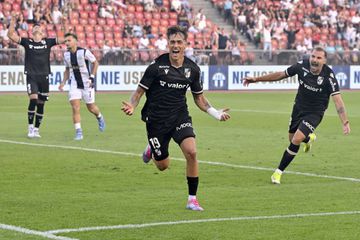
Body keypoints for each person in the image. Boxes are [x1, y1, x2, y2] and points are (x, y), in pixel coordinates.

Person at [121, 26, 230, 211]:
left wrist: (216, 113)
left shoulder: (193, 69)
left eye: (179, 42)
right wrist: (132, 105)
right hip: (156, 120)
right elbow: (139, 93)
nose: (176, 45)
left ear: (185, 45)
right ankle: (152, 149)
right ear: (168, 44)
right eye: (172, 42)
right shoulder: (156, 67)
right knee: (163, 165)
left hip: (180, 116)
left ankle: (192, 199)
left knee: (192, 152)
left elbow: (199, 99)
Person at [243, 46, 351, 184]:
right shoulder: (301, 66)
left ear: (324, 60)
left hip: (315, 113)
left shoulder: (329, 77)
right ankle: (308, 139)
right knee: (292, 138)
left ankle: (278, 172)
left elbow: (338, 101)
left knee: (296, 140)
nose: (315, 60)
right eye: (313, 56)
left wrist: (345, 122)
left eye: (319, 58)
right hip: (298, 108)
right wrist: (256, 79)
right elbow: (280, 75)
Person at [7, 13, 64, 138]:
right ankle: (30, 128)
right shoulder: (27, 42)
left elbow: (63, 38)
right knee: (33, 99)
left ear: (43, 32)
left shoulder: (48, 42)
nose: (37, 28)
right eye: (35, 27)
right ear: (32, 32)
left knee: (41, 103)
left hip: (44, 76)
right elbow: (10, 35)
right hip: (32, 75)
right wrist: (12, 21)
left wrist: (63, 23)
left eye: (39, 27)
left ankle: (37, 130)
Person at [58, 33, 105, 140]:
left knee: (91, 108)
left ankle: (99, 117)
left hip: (87, 83)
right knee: (75, 107)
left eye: (69, 40)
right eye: (65, 41)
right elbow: (67, 69)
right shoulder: (66, 55)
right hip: (74, 83)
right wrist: (63, 82)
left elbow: (95, 63)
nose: (66, 43)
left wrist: (92, 77)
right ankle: (79, 132)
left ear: (75, 41)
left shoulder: (84, 52)